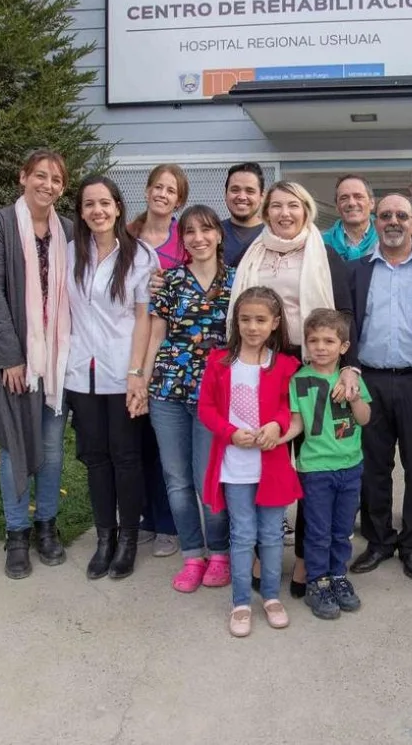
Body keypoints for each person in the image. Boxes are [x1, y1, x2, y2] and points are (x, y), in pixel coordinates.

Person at [231, 180, 358, 596]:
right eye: (277, 206)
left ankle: (306, 560)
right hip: (259, 369)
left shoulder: (326, 256)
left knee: (310, 470)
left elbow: (346, 316)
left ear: (306, 211)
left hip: (309, 371)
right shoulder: (251, 253)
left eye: (293, 206)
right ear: (265, 212)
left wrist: (349, 367)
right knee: (261, 462)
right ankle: (253, 553)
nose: (285, 213)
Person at [0, 149, 73, 580]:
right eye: (39, 175)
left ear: (62, 187)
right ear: (23, 178)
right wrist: (9, 355)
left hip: (57, 360)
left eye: (55, 179)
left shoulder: (68, 229)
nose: (46, 184)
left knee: (51, 450)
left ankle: (46, 526)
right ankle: (16, 533)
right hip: (14, 358)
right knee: (15, 448)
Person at [65, 175, 158, 581]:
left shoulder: (140, 255)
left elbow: (145, 319)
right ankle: (105, 538)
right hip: (79, 372)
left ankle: (128, 541)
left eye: (105, 203)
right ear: (81, 212)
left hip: (122, 371)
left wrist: (137, 373)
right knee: (95, 458)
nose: (97, 211)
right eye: (89, 205)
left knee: (125, 457)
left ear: (118, 207)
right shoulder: (70, 253)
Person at [198, 286, 303, 637]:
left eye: (260, 320)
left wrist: (277, 424)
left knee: (272, 535)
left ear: (275, 323)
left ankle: (271, 596)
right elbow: (207, 409)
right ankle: (241, 601)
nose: (252, 327)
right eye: (245, 319)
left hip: (271, 467)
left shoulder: (287, 365)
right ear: (236, 322)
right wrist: (229, 432)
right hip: (234, 466)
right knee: (242, 535)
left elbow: (290, 409)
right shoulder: (219, 361)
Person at [143, 204, 235, 592]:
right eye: (191, 232)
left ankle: (219, 553)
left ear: (218, 235)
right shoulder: (169, 281)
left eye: (206, 230)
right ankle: (192, 555)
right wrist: (142, 381)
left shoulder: (236, 281)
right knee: (176, 478)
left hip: (213, 394)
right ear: (182, 240)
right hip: (167, 389)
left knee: (207, 479)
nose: (198, 238)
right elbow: (156, 332)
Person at [347, 193, 412, 581]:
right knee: (372, 466)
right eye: (386, 215)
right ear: (374, 221)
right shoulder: (357, 270)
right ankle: (380, 539)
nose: (394, 221)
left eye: (402, 215)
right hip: (370, 380)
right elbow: (345, 323)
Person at [289, 309, 373, 621]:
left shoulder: (351, 378)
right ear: (306, 345)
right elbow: (297, 423)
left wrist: (354, 398)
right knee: (318, 530)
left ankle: (338, 576)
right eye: (314, 341)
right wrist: (276, 436)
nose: (321, 347)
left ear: (343, 347)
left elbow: (365, 418)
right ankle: (317, 581)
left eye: (329, 341)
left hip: (351, 466)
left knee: (342, 529)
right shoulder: (298, 380)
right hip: (315, 468)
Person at [126, 164, 185, 556]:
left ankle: (169, 524)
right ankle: (144, 516)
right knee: (139, 439)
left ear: (179, 200)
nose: (162, 194)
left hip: (171, 349)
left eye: (171, 190)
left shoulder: (184, 238)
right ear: (147, 192)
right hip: (129, 343)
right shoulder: (127, 236)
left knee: (167, 444)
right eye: (157, 187)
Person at [322, 174, 377, 261]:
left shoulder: (385, 239)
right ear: (337, 206)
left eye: (358, 197)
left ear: (372, 203)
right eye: (344, 198)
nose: (351, 203)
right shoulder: (322, 242)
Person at [221, 162, 265, 267]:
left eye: (250, 191)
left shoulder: (273, 235)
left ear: (262, 196)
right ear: (225, 194)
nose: (242, 197)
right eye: (235, 190)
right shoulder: (211, 233)